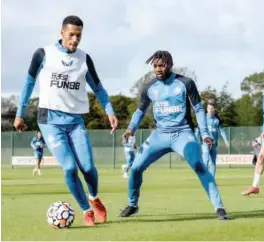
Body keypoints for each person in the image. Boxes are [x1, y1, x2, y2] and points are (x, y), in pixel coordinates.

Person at [13, 15, 118, 226]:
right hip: (49, 120)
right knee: (69, 168)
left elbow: (98, 87)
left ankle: (94, 198)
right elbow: (29, 82)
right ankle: (86, 210)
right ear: (61, 33)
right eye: (71, 34)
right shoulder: (43, 54)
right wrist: (19, 113)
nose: (75, 39)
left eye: (79, 35)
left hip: (75, 120)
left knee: (88, 167)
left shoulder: (84, 58)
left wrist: (109, 110)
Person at [119, 50, 229, 220]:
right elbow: (140, 110)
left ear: (170, 65)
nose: (158, 69)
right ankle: (133, 205)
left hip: (183, 134)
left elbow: (199, 109)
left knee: (199, 166)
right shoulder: (149, 87)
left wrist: (205, 133)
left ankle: (219, 208)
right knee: (135, 168)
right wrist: (131, 128)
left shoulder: (185, 83)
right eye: (155, 66)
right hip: (159, 136)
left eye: (161, 65)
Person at [195, 101, 230, 177]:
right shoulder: (203, 118)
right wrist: (195, 140)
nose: (210, 110)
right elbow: (197, 130)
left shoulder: (217, 119)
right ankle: (204, 178)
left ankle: (212, 180)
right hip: (205, 143)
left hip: (214, 144)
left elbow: (222, 131)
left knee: (213, 162)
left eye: (212, 108)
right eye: (209, 108)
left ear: (214, 109)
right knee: (206, 159)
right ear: (207, 109)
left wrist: (226, 141)